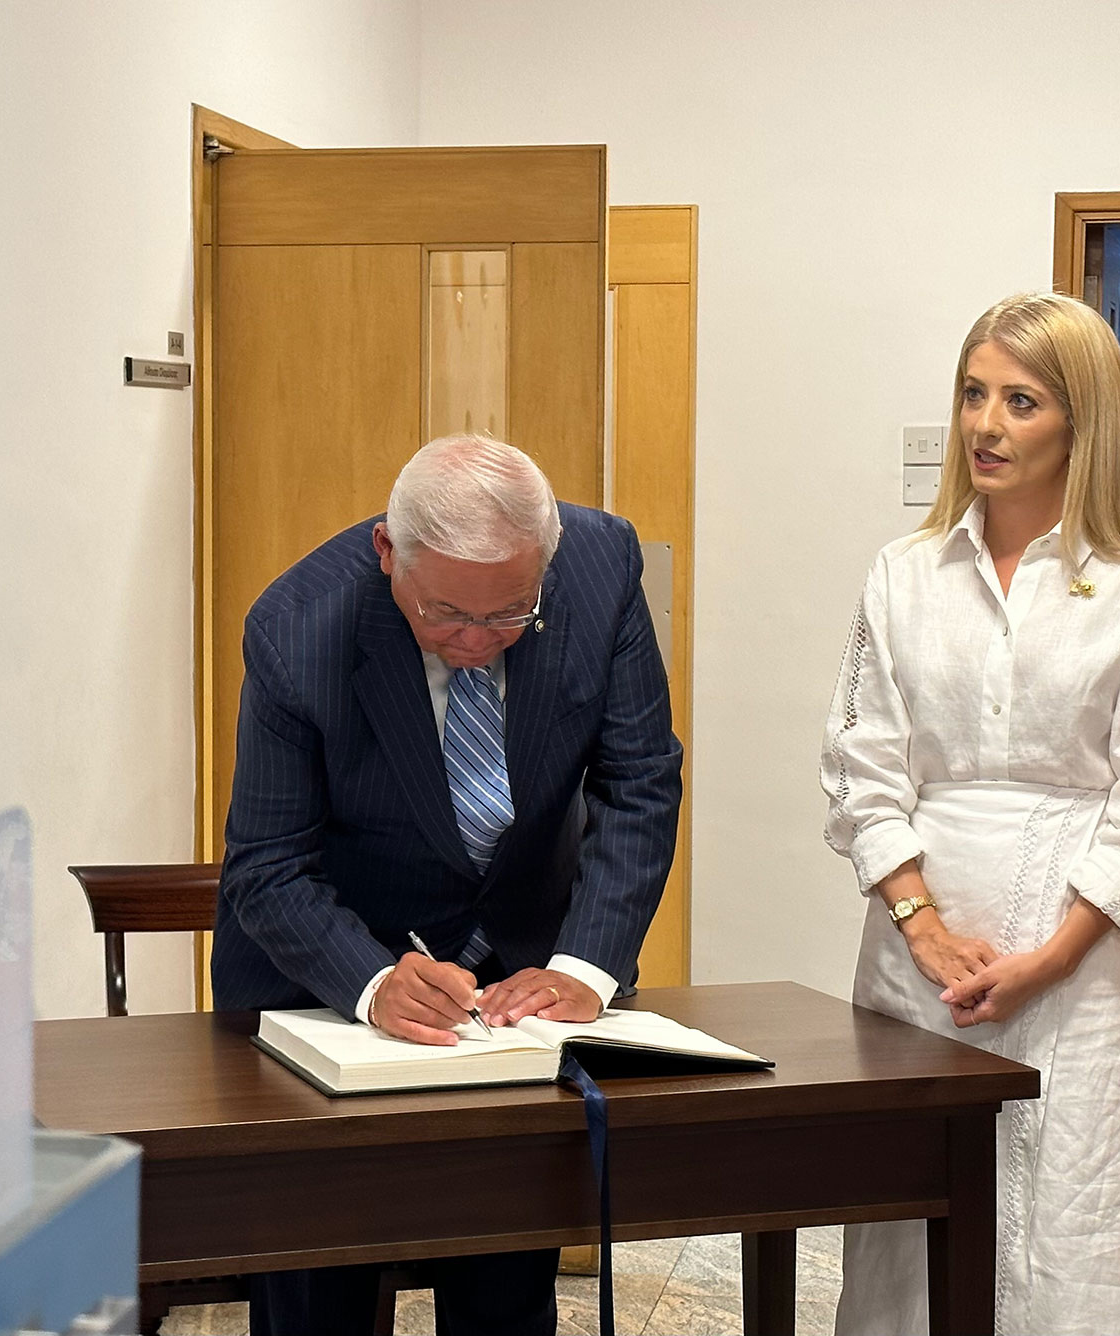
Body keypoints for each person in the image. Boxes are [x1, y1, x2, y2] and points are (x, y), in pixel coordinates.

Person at [213, 433, 682, 1336]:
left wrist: (582, 967)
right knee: (318, 1293)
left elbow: (640, 782)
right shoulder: (297, 628)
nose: (475, 641)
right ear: (389, 552)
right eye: (445, 615)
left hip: (512, 994)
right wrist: (371, 980)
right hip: (324, 986)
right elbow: (268, 864)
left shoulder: (600, 567)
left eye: (509, 615)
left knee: (505, 1286)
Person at [822, 292, 1120, 1336]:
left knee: (1081, 1212)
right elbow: (861, 759)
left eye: (1020, 401)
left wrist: (1051, 955)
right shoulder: (904, 574)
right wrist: (922, 926)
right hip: (918, 956)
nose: (985, 425)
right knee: (908, 1220)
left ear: (1081, 422)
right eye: (972, 394)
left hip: (1086, 964)